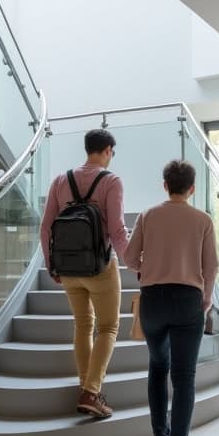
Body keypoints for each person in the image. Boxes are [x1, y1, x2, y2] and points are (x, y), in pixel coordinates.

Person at [124, 160, 219, 436]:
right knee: (184, 378)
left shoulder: (148, 215)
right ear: (191, 188)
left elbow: (128, 257)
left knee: (157, 368)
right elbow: (212, 267)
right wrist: (205, 300)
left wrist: (144, 270)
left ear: (164, 185)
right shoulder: (202, 219)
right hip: (187, 301)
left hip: (152, 301)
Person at [39, 129, 128, 419]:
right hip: (100, 267)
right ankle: (91, 392)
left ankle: (86, 388)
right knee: (108, 328)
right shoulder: (111, 181)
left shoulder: (60, 180)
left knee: (82, 325)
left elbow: (45, 227)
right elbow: (116, 229)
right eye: (112, 153)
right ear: (107, 150)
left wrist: (51, 263)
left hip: (67, 268)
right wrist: (133, 261)